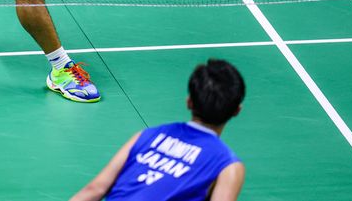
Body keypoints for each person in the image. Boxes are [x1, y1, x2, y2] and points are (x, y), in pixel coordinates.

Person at [69, 59, 246, 200]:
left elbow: (95, 189)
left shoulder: (148, 135)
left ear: (189, 102)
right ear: (237, 111)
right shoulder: (228, 166)